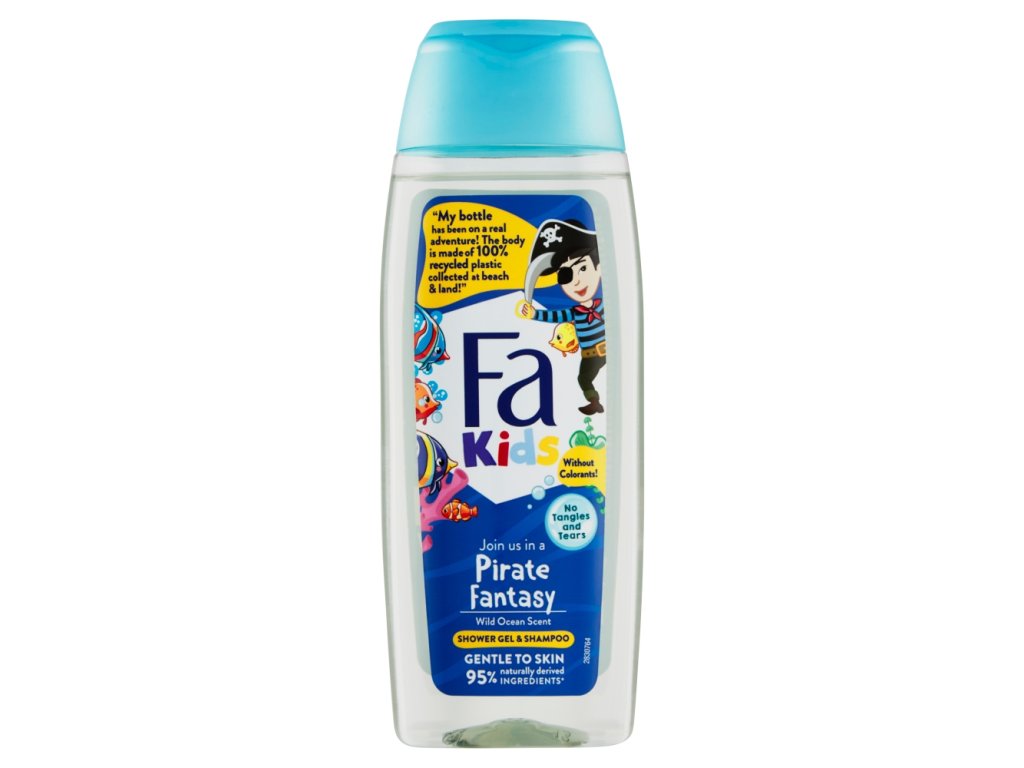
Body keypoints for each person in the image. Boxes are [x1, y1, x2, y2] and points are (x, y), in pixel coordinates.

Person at [516, 219, 606, 415]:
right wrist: (534, 314)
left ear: (599, 268)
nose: (577, 281)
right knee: (583, 379)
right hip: (589, 356)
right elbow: (555, 315)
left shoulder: (604, 306)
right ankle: (594, 401)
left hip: (608, 351)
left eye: (583, 268)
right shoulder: (574, 312)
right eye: (566, 276)